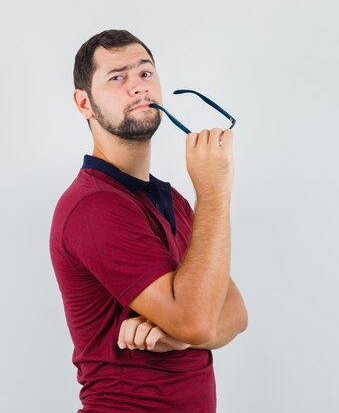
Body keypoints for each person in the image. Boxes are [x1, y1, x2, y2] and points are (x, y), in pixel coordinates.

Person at [49, 29, 248, 413]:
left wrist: (185, 336)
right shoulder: (94, 205)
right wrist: (214, 191)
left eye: (145, 73)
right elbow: (198, 319)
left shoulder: (170, 200)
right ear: (84, 103)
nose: (138, 88)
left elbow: (236, 313)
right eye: (117, 78)